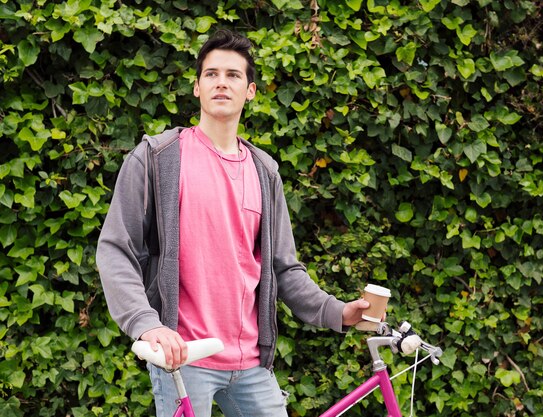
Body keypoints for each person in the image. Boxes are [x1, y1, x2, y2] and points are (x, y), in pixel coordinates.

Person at [96, 29, 369, 417]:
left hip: (251, 363)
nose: (221, 82)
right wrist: (147, 324)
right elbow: (115, 249)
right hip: (184, 356)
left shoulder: (265, 172)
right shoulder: (157, 158)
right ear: (196, 88)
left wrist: (337, 312)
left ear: (250, 90)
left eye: (233, 75)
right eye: (211, 74)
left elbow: (284, 268)